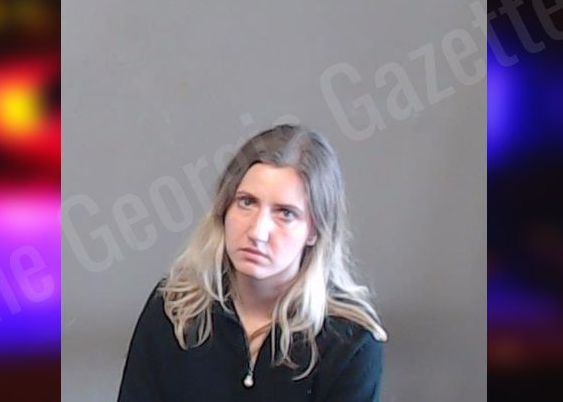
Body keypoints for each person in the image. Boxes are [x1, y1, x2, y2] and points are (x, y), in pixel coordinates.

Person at [117, 124, 387, 401]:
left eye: (285, 213)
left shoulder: (351, 342)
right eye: (247, 202)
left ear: (315, 231)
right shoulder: (174, 307)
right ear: (224, 208)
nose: (258, 232)